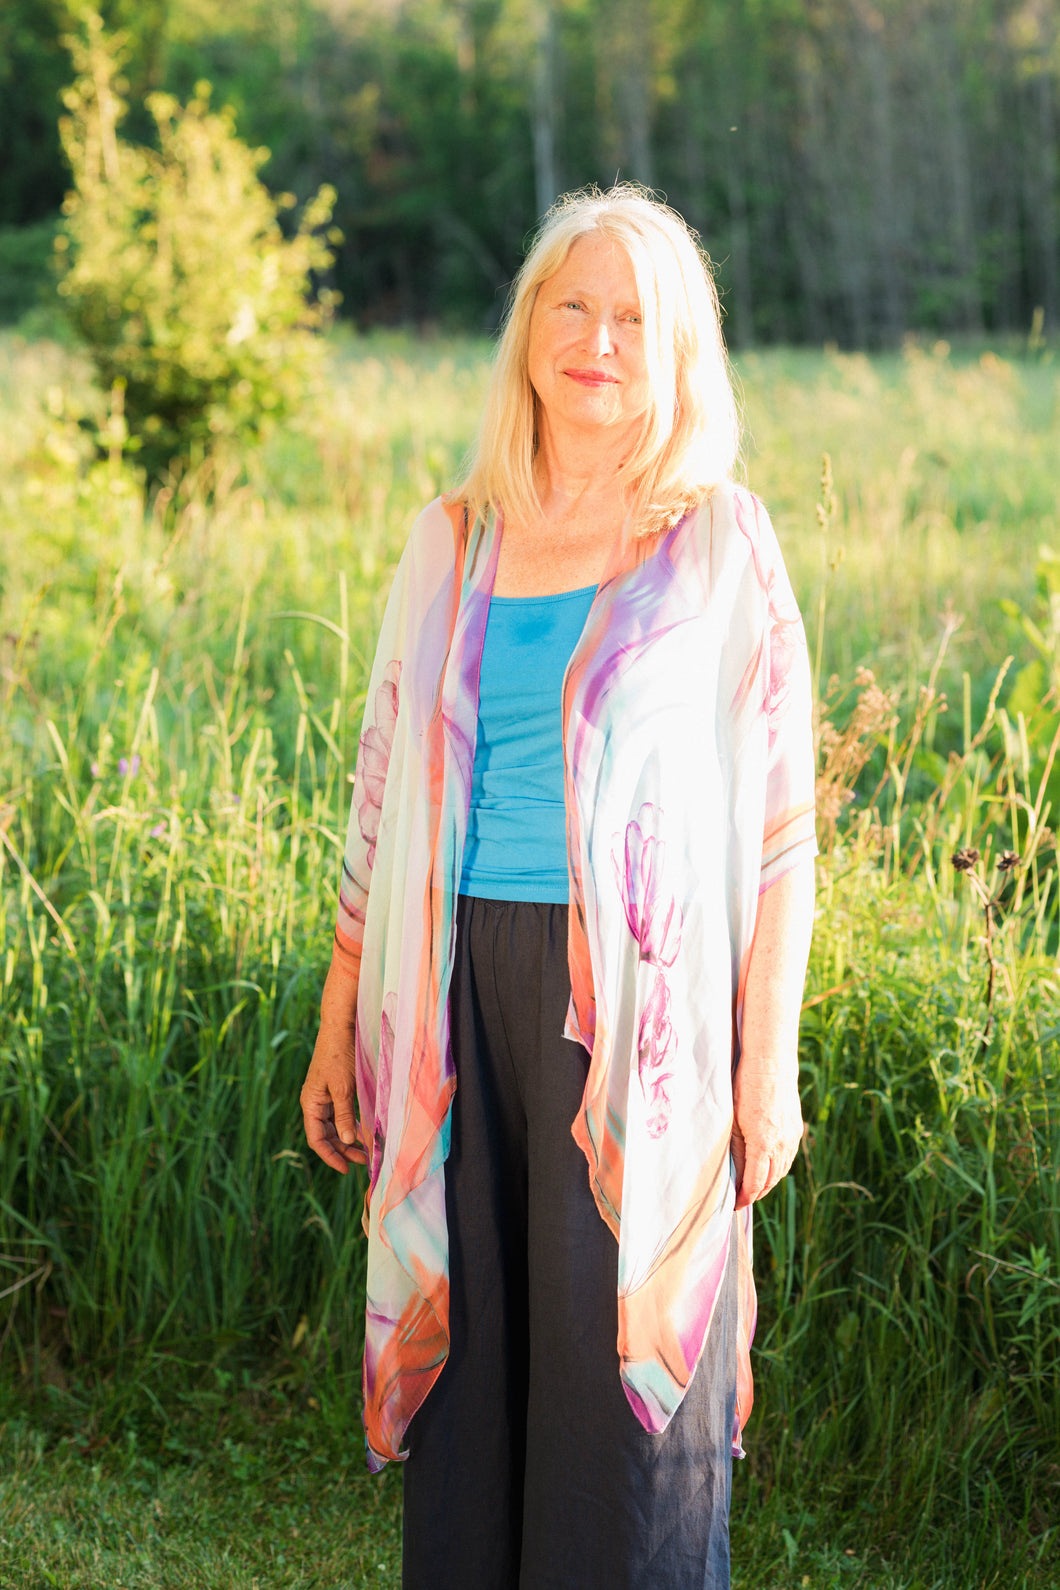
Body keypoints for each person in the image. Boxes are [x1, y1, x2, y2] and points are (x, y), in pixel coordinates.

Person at [300, 184, 817, 1590]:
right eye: (571, 305)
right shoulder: (450, 538)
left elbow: (782, 838)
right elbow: (381, 782)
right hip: (450, 998)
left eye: (634, 317)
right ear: (531, 328)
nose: (598, 339)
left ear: (679, 352)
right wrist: (346, 1002)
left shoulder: (718, 544)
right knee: (475, 1363)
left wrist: (766, 1067)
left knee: (620, 1382)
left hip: (648, 1030)